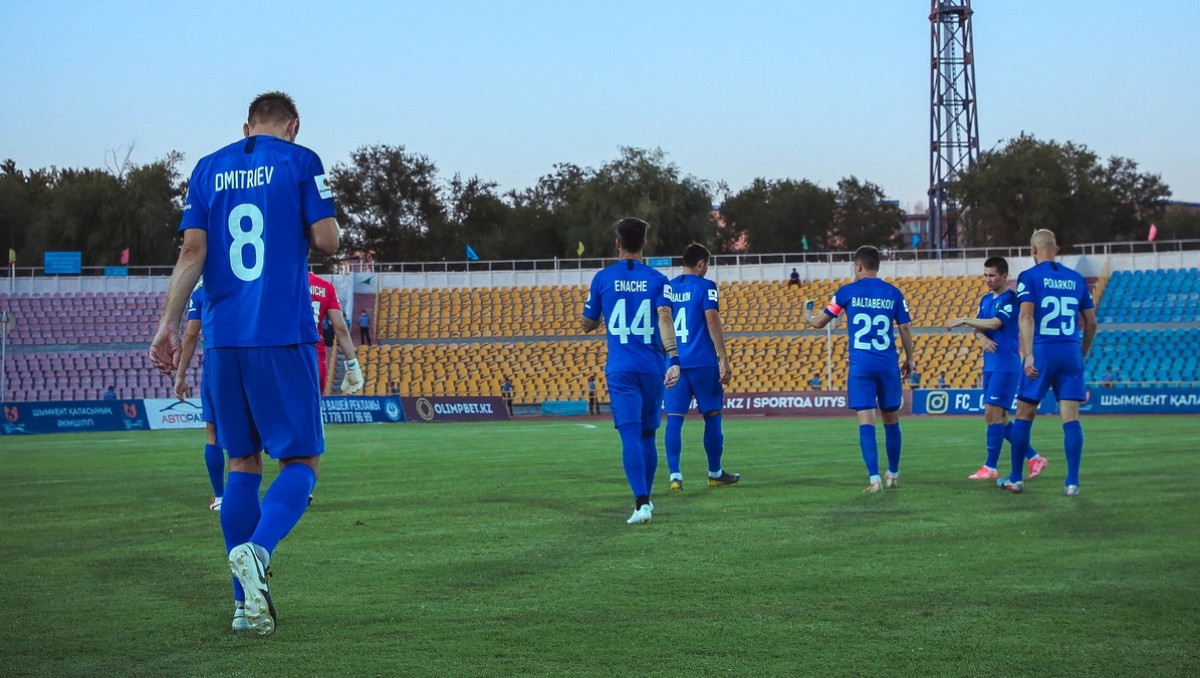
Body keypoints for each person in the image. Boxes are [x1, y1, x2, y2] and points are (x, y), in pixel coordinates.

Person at [150, 91, 340, 635]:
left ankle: (244, 607)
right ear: (293, 126)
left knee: (242, 467)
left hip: (224, 340)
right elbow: (326, 239)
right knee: (302, 463)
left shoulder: (208, 168)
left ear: (246, 126)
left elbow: (192, 252)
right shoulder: (301, 161)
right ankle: (258, 551)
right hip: (281, 332)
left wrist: (166, 323)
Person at [581, 217, 681, 525]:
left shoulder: (602, 278)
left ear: (617, 243)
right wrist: (674, 358)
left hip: (621, 368)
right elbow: (664, 319)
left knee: (630, 435)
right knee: (649, 434)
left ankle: (641, 502)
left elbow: (587, 324)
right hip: (652, 367)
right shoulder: (659, 279)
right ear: (645, 244)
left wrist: (598, 315)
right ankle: (646, 500)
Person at [805, 245, 914, 493]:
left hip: (861, 366)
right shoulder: (893, 293)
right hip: (888, 365)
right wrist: (910, 359)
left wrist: (806, 313)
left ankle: (874, 478)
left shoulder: (847, 292)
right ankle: (894, 473)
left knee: (866, 421)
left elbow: (819, 323)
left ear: (858, 266)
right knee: (891, 419)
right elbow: (905, 328)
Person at [1000, 229, 1097, 496]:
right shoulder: (1077, 279)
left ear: (1033, 250)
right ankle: (1072, 482)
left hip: (1043, 351)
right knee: (1071, 420)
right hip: (1069, 351)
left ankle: (1016, 478)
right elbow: (1091, 322)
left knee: (1024, 414)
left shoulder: (1029, 277)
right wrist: (1081, 353)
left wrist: (1028, 354)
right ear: (1057, 249)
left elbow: (1027, 317)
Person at [945, 256, 1047, 483]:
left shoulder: (1011, 299)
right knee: (1000, 419)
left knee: (991, 413)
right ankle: (1034, 457)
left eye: (992, 275)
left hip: (1006, 365)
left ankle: (990, 467)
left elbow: (994, 323)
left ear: (1004, 276)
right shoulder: (985, 299)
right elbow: (981, 328)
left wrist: (963, 319)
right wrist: (981, 339)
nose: (988, 280)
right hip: (990, 365)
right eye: (985, 275)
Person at [663, 244, 739, 493]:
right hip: (703, 362)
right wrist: (724, 358)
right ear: (701, 263)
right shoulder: (706, 287)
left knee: (674, 420)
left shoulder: (668, 288)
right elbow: (711, 318)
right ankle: (715, 472)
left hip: (675, 362)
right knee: (713, 417)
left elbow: (661, 322)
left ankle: (675, 475)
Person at [173, 279, 228, 511]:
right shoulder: (245, 286)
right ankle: (246, 493)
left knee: (213, 432)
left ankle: (220, 498)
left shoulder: (201, 293)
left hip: (218, 363)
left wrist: (180, 374)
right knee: (248, 431)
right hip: (252, 360)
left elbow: (191, 335)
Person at [309, 272, 362, 396]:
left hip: (284, 356)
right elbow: (340, 329)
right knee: (312, 411)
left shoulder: (277, 283)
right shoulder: (325, 286)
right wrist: (353, 366)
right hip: (315, 358)